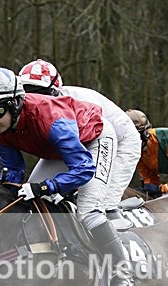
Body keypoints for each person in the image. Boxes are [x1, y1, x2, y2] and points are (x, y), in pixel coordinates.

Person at [0, 66, 139, 286]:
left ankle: (122, 275)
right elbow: (14, 172)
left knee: (90, 211)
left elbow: (83, 169)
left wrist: (45, 187)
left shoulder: (51, 119)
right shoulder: (2, 131)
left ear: (15, 103)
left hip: (96, 139)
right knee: (32, 203)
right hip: (62, 147)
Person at [17, 59, 141, 230]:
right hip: (78, 143)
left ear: (54, 91)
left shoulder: (78, 102)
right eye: (27, 93)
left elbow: (88, 158)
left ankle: (122, 245)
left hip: (120, 141)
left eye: (37, 92)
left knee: (98, 204)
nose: (32, 100)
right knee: (33, 197)